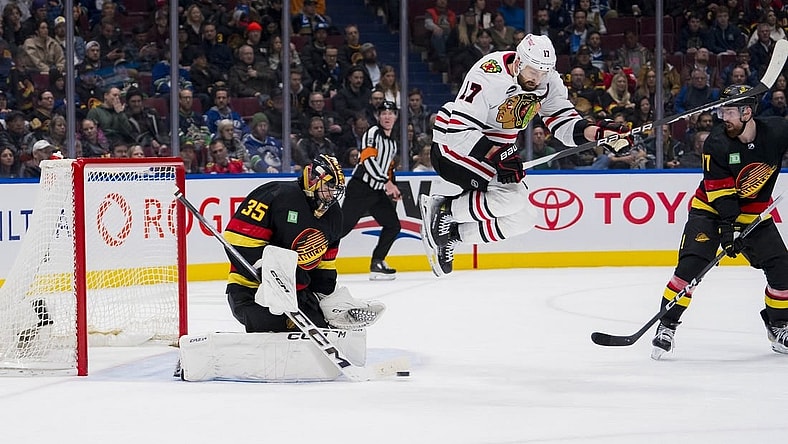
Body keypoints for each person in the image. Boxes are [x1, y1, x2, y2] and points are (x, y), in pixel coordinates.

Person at [420, 34, 631, 276]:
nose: (538, 78)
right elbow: (459, 129)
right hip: (454, 147)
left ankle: (451, 234)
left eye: (544, 72)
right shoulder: (489, 73)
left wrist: (600, 133)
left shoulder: (547, 80)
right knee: (512, 198)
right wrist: (499, 156)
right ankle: (443, 208)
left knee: (524, 218)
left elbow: (563, 122)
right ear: (519, 61)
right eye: (533, 71)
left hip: (495, 154)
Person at [651, 84, 788, 360]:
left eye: (729, 111)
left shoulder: (777, 130)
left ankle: (778, 326)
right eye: (722, 110)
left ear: (747, 112)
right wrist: (729, 231)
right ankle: (666, 326)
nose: (722, 117)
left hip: (755, 214)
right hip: (710, 212)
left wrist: (738, 228)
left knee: (783, 270)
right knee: (689, 269)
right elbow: (720, 195)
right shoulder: (717, 143)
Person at [223, 154, 384, 332]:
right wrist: (268, 272)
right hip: (251, 291)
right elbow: (237, 238)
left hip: (299, 294)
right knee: (273, 324)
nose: (331, 194)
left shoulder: (334, 215)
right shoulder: (276, 195)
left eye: (335, 189)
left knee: (321, 329)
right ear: (314, 179)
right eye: (328, 186)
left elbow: (325, 264)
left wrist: (326, 297)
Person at [340, 101, 402, 280]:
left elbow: (388, 168)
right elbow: (367, 160)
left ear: (396, 117)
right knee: (342, 228)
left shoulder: (392, 143)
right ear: (378, 116)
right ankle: (313, 258)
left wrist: (392, 186)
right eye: (384, 113)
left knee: (393, 225)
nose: (387, 116)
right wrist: (387, 183)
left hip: (376, 192)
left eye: (391, 113)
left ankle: (377, 262)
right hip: (360, 188)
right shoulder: (373, 132)